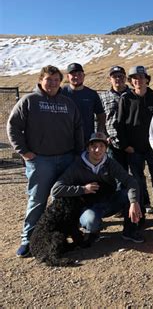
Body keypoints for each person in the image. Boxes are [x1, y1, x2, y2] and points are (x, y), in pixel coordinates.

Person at [7, 65, 84, 257]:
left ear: (61, 82)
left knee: (65, 201)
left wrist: (78, 153)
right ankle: (28, 239)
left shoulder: (67, 103)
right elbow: (13, 127)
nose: (52, 84)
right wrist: (24, 152)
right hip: (41, 161)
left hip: (66, 158)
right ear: (41, 80)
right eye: (49, 80)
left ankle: (60, 235)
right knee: (37, 200)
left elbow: (78, 128)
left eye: (56, 80)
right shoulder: (29, 101)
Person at [51, 132, 143, 243]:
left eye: (101, 146)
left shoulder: (110, 163)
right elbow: (56, 190)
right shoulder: (77, 165)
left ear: (106, 149)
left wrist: (133, 202)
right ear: (88, 148)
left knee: (132, 194)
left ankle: (130, 231)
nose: (97, 150)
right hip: (87, 206)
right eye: (94, 146)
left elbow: (130, 181)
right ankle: (93, 231)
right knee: (91, 221)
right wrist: (83, 189)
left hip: (108, 201)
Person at [117, 66, 153, 223]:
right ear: (131, 81)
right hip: (134, 149)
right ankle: (141, 215)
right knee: (137, 183)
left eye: (141, 77)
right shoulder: (126, 99)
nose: (138, 80)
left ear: (147, 79)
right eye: (134, 78)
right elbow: (120, 123)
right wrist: (125, 145)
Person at [62, 63, 106, 142]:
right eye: (73, 74)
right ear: (68, 77)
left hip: (86, 140)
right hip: (64, 140)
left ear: (84, 76)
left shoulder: (92, 94)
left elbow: (101, 115)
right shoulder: (61, 93)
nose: (76, 77)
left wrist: (99, 132)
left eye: (79, 74)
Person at [100, 66, 130, 169]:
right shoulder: (103, 97)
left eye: (121, 76)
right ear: (110, 79)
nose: (118, 79)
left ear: (125, 78)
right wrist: (104, 136)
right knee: (118, 176)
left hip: (132, 142)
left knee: (137, 175)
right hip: (113, 142)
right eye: (115, 76)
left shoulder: (133, 94)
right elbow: (99, 118)